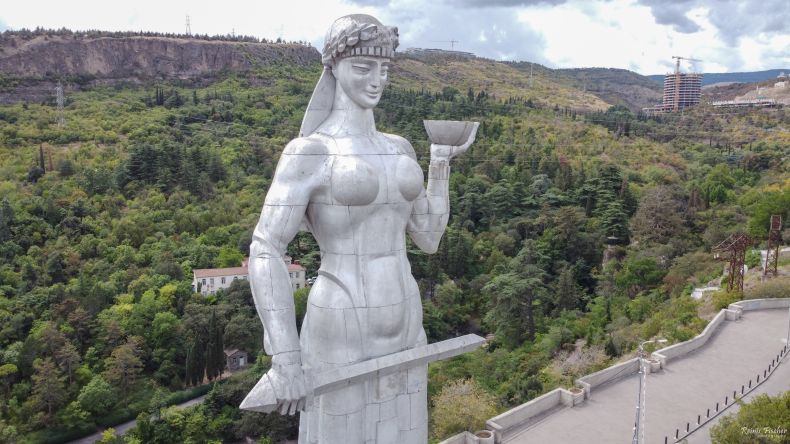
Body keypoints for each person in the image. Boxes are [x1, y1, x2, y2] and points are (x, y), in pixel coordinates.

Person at [248, 14, 473, 443]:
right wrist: (286, 355)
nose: (377, 80)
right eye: (364, 67)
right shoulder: (309, 152)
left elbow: (429, 237)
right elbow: (265, 248)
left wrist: (440, 163)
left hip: (407, 319)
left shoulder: (399, 148)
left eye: (384, 68)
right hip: (340, 323)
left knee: (406, 433)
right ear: (333, 67)